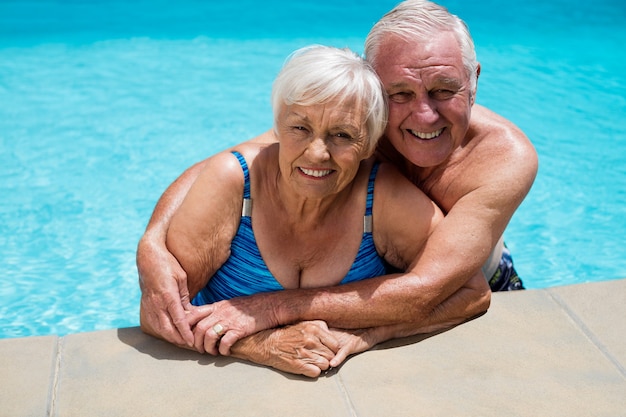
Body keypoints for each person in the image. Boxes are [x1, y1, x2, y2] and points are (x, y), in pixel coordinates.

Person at [137, 0, 537, 368]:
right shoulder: (352, 120)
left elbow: (432, 290)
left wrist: (363, 329)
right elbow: (232, 163)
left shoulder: (505, 157)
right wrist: (153, 241)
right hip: (379, 278)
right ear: (376, 90)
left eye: (444, 90)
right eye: (400, 93)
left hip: (472, 275)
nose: (424, 114)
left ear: (474, 78)